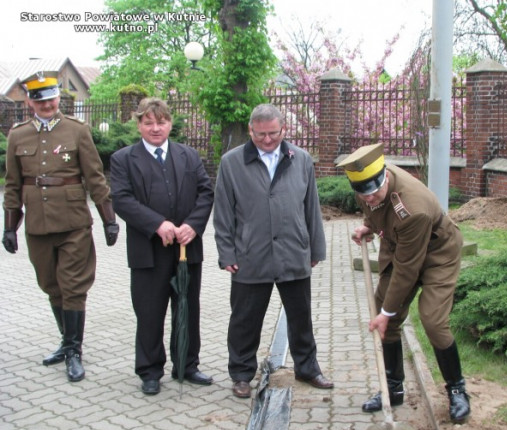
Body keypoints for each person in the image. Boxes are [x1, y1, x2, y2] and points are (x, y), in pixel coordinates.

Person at [338, 143, 471, 424]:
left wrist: (387, 313)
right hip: (399, 246)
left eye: (375, 192)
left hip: (438, 253)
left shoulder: (413, 207)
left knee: (432, 320)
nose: (370, 198)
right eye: (364, 193)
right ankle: (393, 388)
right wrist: (369, 226)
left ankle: (457, 389)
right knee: (384, 312)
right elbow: (375, 210)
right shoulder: (366, 182)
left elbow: (408, 269)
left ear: (386, 176)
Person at [2, 71, 119, 383]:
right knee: (50, 285)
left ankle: (73, 351)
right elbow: (13, 185)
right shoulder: (17, 135)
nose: (47, 104)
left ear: (58, 97)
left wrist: (110, 219)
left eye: (52, 98)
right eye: (40, 100)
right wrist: (10, 226)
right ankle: (66, 342)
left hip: (74, 223)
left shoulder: (77, 131)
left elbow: (95, 177)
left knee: (73, 285)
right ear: (30, 101)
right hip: (38, 226)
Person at [213, 103, 333, 399]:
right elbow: (223, 213)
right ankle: (241, 373)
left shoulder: (301, 159)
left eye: (273, 134)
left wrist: (316, 247)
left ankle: (308, 367)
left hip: (294, 251)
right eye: (260, 135)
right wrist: (226, 253)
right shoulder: (231, 163)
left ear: (283, 129)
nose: (267, 141)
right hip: (250, 255)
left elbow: (311, 207)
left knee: (301, 317)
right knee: (244, 319)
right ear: (251, 130)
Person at [110, 98, 214, 396]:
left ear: (170, 123)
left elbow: (206, 193)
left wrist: (193, 225)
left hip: (185, 249)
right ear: (139, 124)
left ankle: (187, 365)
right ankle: (150, 370)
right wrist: (157, 224)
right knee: (149, 312)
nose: (156, 128)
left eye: (161, 122)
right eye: (148, 123)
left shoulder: (189, 156)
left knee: (187, 308)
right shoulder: (123, 159)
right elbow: (122, 199)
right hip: (148, 251)